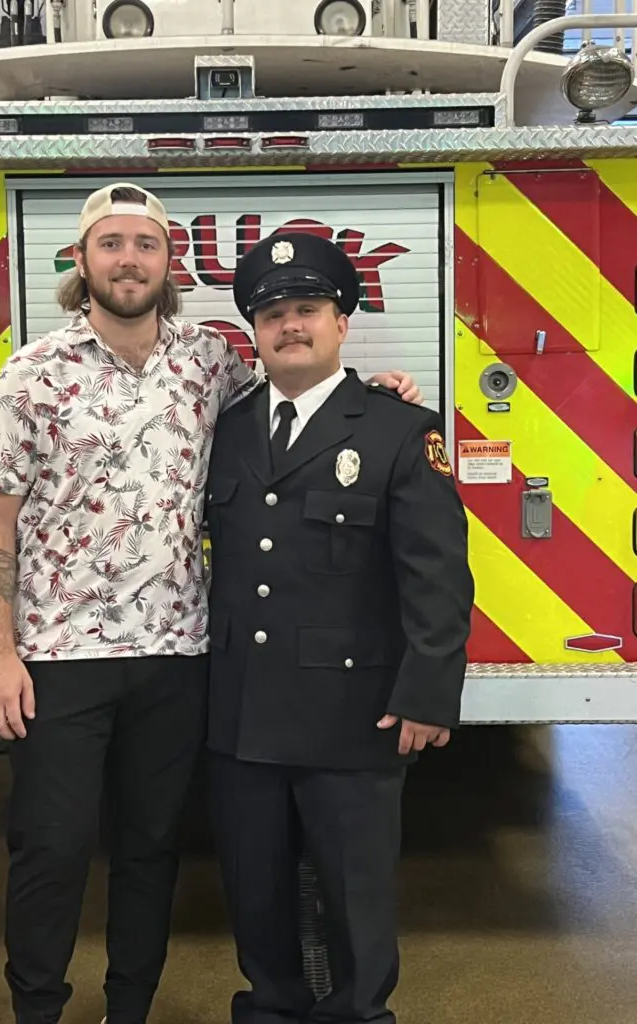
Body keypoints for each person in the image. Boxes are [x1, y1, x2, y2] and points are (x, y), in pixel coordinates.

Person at [0, 182, 423, 1024]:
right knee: (51, 851)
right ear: (82, 259)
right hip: (58, 659)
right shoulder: (33, 372)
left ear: (171, 263)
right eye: (112, 243)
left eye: (146, 244)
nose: (129, 259)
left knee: (150, 851)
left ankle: (127, 1011)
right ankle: (37, 1011)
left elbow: (306, 400)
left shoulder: (211, 363)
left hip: (178, 655)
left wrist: (380, 397)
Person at [205, 231, 475, 1024]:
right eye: (274, 313)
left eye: (308, 309)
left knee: (356, 894)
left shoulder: (398, 430)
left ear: (342, 322)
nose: (291, 325)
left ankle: (358, 1015)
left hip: (354, 713)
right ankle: (273, 1009)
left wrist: (428, 692)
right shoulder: (226, 428)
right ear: (253, 332)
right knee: (254, 891)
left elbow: (437, 575)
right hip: (242, 711)